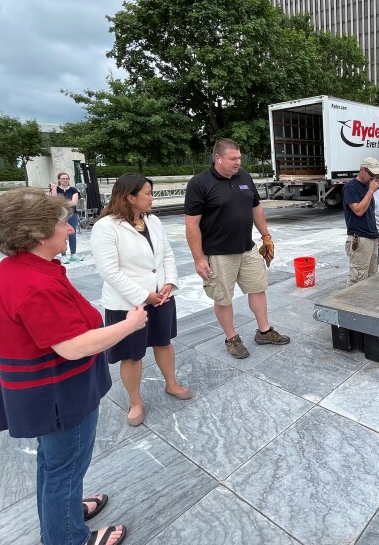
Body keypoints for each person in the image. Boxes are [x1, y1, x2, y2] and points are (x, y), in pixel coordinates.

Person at [0, 188, 148, 545]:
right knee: (66, 467)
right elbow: (72, 346)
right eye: (62, 224)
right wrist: (130, 323)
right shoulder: (34, 284)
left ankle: (62, 518)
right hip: (58, 396)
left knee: (54, 463)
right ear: (39, 235)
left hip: (46, 393)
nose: (70, 230)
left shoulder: (19, 268)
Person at [90, 174, 191, 428]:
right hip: (128, 304)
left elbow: (167, 254)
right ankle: (135, 401)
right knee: (132, 355)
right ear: (129, 197)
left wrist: (169, 283)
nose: (151, 197)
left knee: (163, 342)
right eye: (147, 193)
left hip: (162, 297)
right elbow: (109, 271)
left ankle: (171, 383)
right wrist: (144, 296)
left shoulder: (153, 221)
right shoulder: (106, 227)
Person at [185, 138, 290, 359]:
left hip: (247, 248)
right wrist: (198, 259)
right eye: (233, 159)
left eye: (239, 158)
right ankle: (231, 338)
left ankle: (264, 331)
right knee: (223, 297)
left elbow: (256, 208)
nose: (238, 162)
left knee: (258, 288)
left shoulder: (244, 177)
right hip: (218, 253)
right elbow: (192, 224)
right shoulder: (199, 183)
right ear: (218, 158)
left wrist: (266, 236)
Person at [343, 157, 379, 284]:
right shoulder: (351, 187)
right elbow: (358, 211)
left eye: (375, 174)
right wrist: (371, 191)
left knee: (371, 275)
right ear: (362, 170)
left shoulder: (367, 187)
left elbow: (372, 213)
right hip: (360, 238)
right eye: (371, 174)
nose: (373, 177)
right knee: (358, 278)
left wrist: (377, 235)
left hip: (371, 237)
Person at [49, 172, 83, 263]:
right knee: (62, 234)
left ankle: (73, 254)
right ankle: (63, 255)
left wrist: (60, 203)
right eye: (63, 178)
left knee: (72, 234)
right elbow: (53, 200)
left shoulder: (73, 190)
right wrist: (54, 189)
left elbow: (74, 202)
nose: (65, 180)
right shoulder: (56, 190)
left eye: (67, 178)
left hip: (71, 214)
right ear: (59, 180)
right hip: (60, 215)